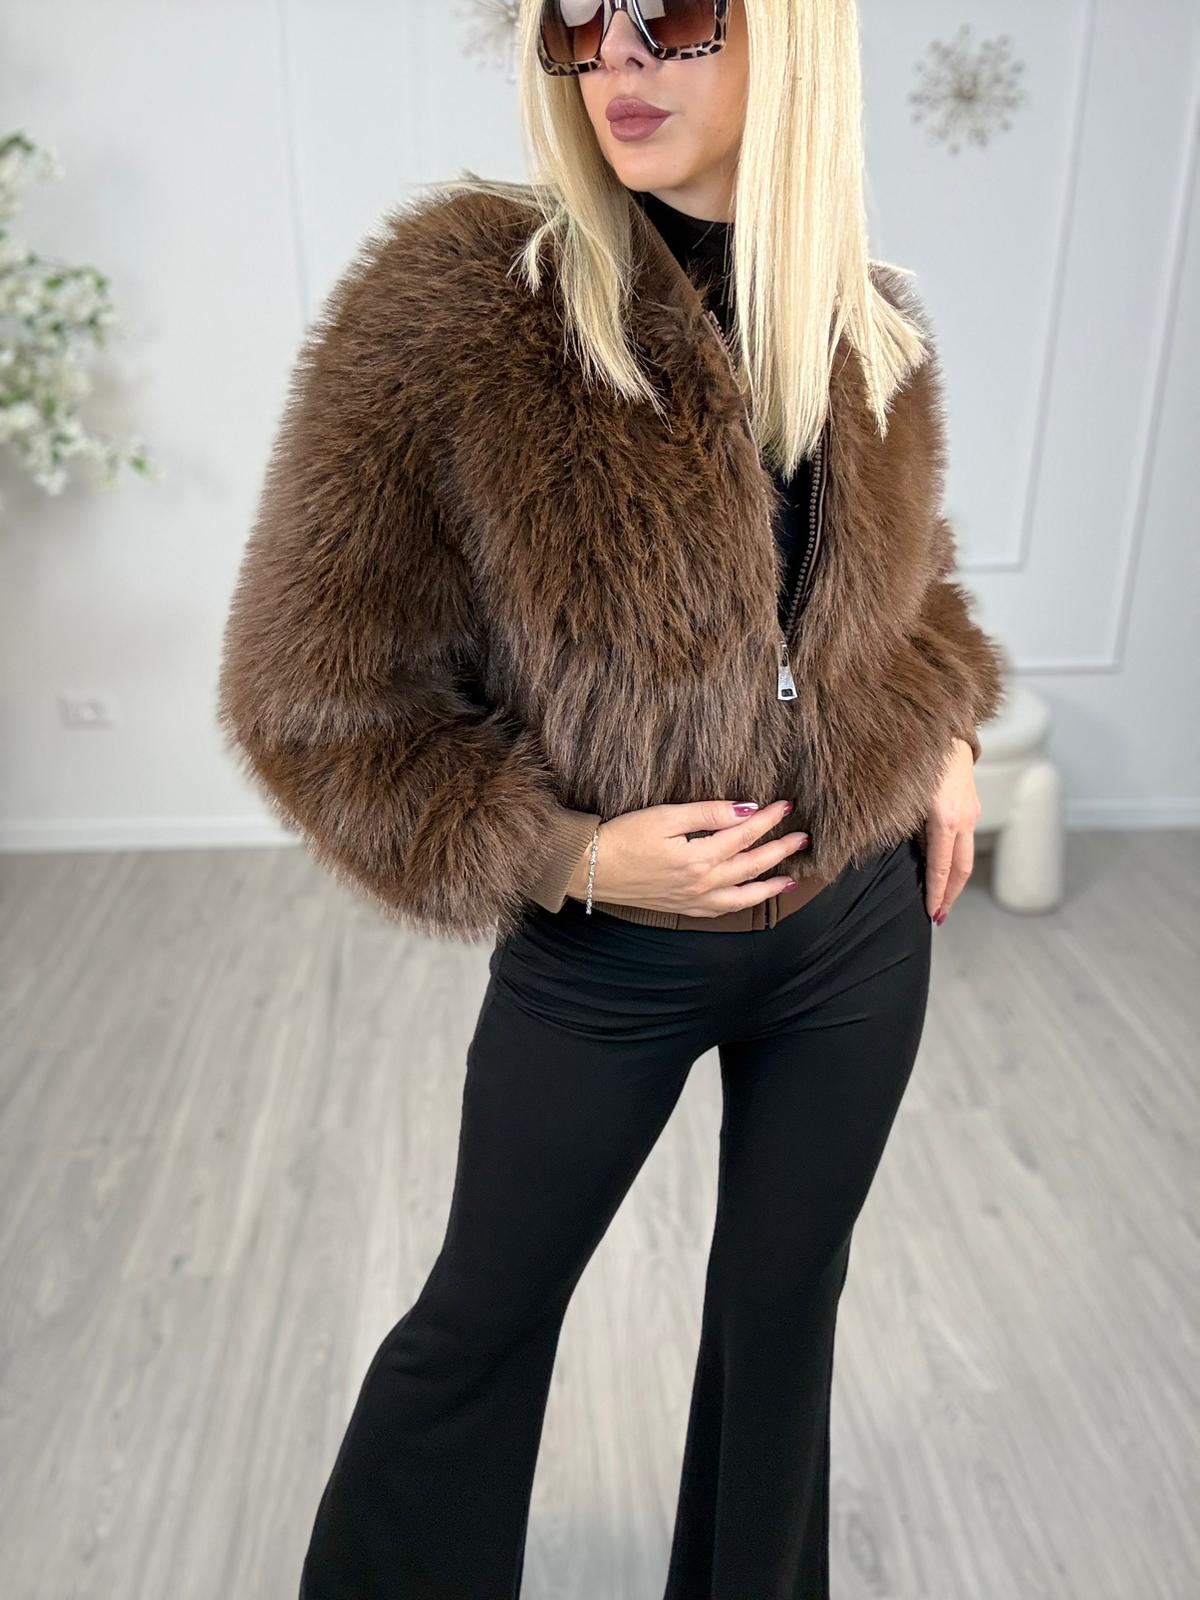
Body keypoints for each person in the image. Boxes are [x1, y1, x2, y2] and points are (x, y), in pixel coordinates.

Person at [217, 2, 1008, 1595]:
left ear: (791, 36)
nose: (619, 60)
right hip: (611, 956)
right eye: (580, 20)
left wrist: (947, 730)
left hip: (856, 935)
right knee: (482, 1323)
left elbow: (904, 592)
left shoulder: (867, 321)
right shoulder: (463, 308)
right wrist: (571, 855)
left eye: (673, 15)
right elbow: (307, 704)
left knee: (783, 1320)